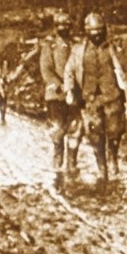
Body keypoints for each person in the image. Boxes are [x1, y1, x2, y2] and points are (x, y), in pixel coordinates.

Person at [67, 12, 127, 186]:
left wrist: (120, 52)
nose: (97, 34)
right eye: (93, 31)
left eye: (100, 30)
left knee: (115, 132)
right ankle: (102, 169)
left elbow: (126, 67)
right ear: (87, 31)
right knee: (95, 136)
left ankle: (113, 158)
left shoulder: (112, 48)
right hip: (90, 98)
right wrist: (70, 90)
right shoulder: (79, 50)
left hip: (112, 96)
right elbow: (69, 71)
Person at [39, 10, 84, 189]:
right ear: (55, 27)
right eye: (60, 25)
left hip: (75, 96)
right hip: (56, 96)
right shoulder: (49, 46)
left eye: (66, 25)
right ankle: (58, 162)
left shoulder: (76, 45)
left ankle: (72, 162)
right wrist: (63, 85)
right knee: (58, 130)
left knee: (75, 130)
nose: (63, 28)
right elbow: (46, 70)